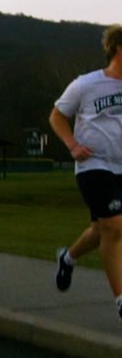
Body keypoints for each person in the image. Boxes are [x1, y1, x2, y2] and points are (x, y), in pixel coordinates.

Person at [48, 24, 122, 323]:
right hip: (94, 165)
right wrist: (72, 144)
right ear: (118, 49)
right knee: (116, 226)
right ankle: (120, 300)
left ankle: (68, 258)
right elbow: (57, 115)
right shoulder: (87, 84)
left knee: (101, 229)